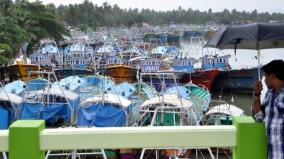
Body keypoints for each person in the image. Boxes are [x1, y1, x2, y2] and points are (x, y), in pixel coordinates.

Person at [252, 59, 284, 159]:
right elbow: (258, 117)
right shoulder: (269, 94)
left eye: (265, 75)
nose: (264, 79)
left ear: (272, 76)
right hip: (273, 153)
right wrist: (257, 95)